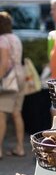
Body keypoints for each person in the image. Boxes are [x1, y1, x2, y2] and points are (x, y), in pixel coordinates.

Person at [0, 12, 26, 159]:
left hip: (9, 79)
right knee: (17, 113)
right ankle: (20, 148)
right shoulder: (15, 38)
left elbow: (3, 64)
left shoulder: (2, 40)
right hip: (20, 76)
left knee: (1, 114)